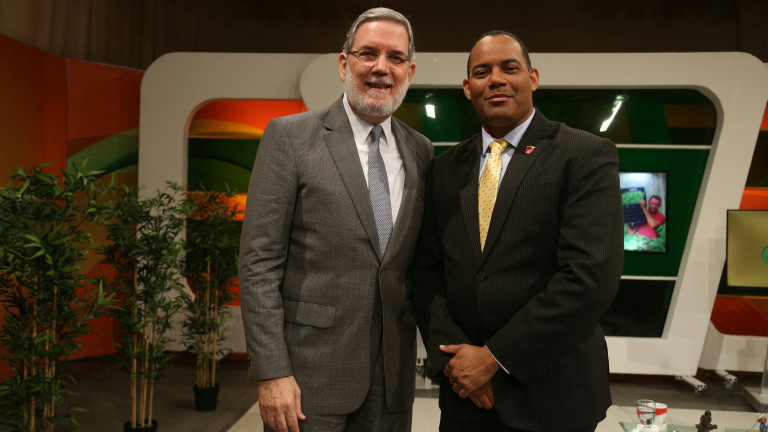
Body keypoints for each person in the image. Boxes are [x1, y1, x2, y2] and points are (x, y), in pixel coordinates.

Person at [412, 30, 624, 431]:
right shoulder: (443, 168)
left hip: (553, 396)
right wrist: (457, 362)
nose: (496, 79)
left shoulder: (584, 154)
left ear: (533, 78)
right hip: (464, 396)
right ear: (468, 87)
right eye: (482, 72)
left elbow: (590, 276)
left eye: (509, 68)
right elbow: (427, 273)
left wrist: (493, 358)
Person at [238, 8, 432, 432]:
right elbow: (259, 264)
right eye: (369, 53)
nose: (381, 67)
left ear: (410, 71)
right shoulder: (290, 137)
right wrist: (272, 371)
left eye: (396, 58)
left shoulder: (421, 151)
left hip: (392, 381)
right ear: (344, 64)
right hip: (307, 381)